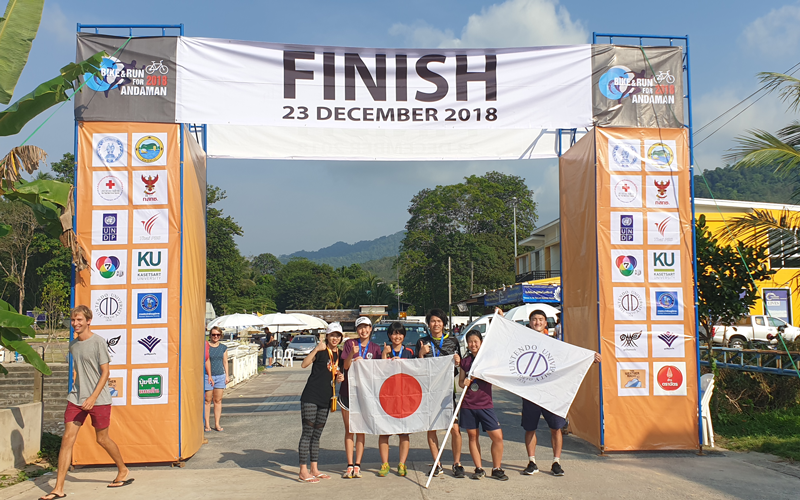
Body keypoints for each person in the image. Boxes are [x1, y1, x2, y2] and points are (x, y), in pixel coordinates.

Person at [40, 306, 132, 500]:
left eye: (80, 320)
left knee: (102, 439)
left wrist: (92, 397)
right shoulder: (73, 345)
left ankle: (122, 469)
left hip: (98, 399)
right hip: (76, 398)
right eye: (73, 320)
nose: (76, 323)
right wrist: (79, 389)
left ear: (88, 321)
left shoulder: (98, 342)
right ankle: (58, 488)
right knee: (67, 440)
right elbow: (79, 369)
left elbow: (106, 373)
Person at [518, 309, 601, 477]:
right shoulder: (523, 342)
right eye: (534, 319)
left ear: (545, 323)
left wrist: (589, 359)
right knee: (530, 429)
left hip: (551, 393)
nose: (537, 322)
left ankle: (556, 462)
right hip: (531, 393)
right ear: (530, 322)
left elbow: (570, 357)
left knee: (556, 428)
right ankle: (532, 462)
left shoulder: (554, 343)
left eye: (540, 319)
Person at [416, 308, 464, 478]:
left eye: (439, 321)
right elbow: (416, 371)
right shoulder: (422, 342)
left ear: (444, 323)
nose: (436, 324)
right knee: (431, 429)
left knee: (455, 429)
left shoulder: (452, 341)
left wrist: (458, 364)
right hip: (429, 393)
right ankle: (437, 463)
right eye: (432, 321)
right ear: (428, 324)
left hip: (447, 393)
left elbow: (459, 369)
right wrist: (421, 355)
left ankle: (457, 463)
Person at [298, 322, 345, 483]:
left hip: (327, 398)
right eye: (332, 335)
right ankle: (303, 470)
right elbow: (304, 364)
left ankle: (314, 468)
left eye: (338, 335)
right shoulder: (321, 351)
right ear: (327, 336)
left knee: (317, 435)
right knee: (307, 433)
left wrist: (339, 376)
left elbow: (336, 372)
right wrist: (316, 349)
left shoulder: (339, 354)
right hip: (311, 395)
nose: (335, 338)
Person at [459, 330, 507, 481]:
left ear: (481, 342)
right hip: (468, 404)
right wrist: (464, 382)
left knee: (498, 437)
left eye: (476, 341)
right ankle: (479, 468)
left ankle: (496, 468)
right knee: (473, 437)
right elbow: (461, 382)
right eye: (470, 341)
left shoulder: (488, 359)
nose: (473, 344)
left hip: (485, 404)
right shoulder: (465, 361)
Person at [339, 316, 382, 478]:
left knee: (361, 430)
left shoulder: (375, 348)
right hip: (347, 392)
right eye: (360, 328)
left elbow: (379, 371)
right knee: (349, 429)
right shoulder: (350, 344)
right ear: (357, 330)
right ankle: (349, 465)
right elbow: (345, 366)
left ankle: (358, 465)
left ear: (371, 329)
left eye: (366, 327)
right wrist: (352, 354)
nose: (363, 330)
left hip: (364, 394)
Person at [377, 322, 415, 477]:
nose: (397, 336)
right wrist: (385, 355)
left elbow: (415, 372)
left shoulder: (409, 352)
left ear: (404, 336)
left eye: (400, 333)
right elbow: (378, 372)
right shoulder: (384, 350)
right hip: (387, 398)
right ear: (389, 335)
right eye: (394, 333)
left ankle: (402, 463)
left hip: (404, 398)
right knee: (384, 432)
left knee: (404, 433)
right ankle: (385, 464)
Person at [205, 327, 230, 432]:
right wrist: (209, 375)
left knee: (218, 400)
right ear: (210, 335)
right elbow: (206, 360)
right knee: (207, 400)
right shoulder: (206, 347)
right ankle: (207, 424)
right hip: (207, 375)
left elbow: (225, 362)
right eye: (213, 335)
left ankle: (217, 423)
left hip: (220, 375)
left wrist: (227, 375)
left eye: (218, 335)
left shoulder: (223, 347)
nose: (215, 337)